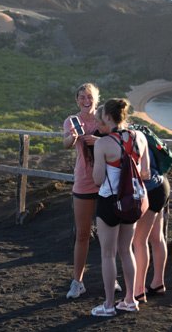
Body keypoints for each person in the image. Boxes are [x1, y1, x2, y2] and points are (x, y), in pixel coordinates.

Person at [90, 98, 150, 317]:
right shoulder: (140, 138)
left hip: (109, 201)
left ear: (107, 117)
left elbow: (97, 179)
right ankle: (130, 300)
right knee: (127, 251)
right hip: (131, 201)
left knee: (108, 255)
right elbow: (145, 172)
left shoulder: (103, 143)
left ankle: (108, 305)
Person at [63, 83, 103, 299]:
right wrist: (74, 137)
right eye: (81, 97)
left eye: (89, 97)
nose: (86, 101)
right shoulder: (72, 121)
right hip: (84, 181)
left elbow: (120, 138)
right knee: (82, 234)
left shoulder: (104, 118)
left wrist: (99, 140)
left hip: (107, 182)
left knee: (109, 235)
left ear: (96, 98)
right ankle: (77, 282)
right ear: (76, 100)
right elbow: (66, 144)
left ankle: (111, 278)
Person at [132, 134, 171, 303]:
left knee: (139, 242)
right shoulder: (141, 132)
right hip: (162, 185)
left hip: (149, 189)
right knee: (157, 237)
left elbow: (142, 171)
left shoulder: (126, 137)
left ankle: (138, 291)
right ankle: (158, 283)